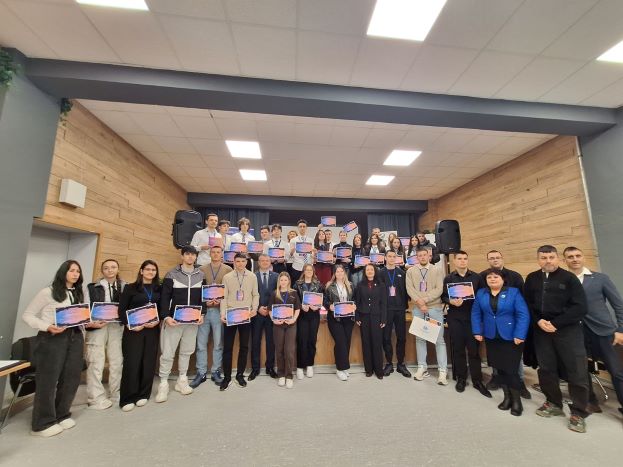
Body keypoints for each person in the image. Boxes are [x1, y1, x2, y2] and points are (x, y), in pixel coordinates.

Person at [524, 245, 590, 433]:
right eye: (544, 258)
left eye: (551, 257)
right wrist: (538, 321)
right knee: (546, 369)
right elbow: (528, 304)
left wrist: (556, 323)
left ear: (558, 258)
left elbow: (580, 307)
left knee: (576, 371)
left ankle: (579, 412)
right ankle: (553, 403)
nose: (548, 261)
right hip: (542, 331)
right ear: (538, 260)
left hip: (567, 331)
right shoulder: (532, 278)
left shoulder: (569, 278)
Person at [22, 260, 87, 437]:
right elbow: (27, 315)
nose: (75, 274)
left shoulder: (78, 292)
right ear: (63, 272)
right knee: (48, 380)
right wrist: (47, 326)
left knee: (71, 378)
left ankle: (61, 414)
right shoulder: (48, 292)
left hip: (75, 337)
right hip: (52, 338)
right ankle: (42, 423)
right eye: (71, 270)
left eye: (78, 271)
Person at [563, 246, 623, 416]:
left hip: (604, 331)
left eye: (577, 255)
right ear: (565, 260)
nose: (575, 259)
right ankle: (590, 402)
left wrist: (620, 329)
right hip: (576, 332)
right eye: (570, 257)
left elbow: (618, 305)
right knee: (581, 371)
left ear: (583, 257)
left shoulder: (600, 278)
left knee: (617, 371)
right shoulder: (564, 281)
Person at [472, 269, 530, 416]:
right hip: (492, 336)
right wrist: (477, 331)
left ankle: (517, 401)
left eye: (495, 277)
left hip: (511, 337)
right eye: (489, 277)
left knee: (511, 370)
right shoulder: (481, 293)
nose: (492, 279)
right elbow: (476, 313)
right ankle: (507, 398)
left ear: (503, 279)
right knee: (500, 369)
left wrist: (520, 334)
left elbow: (523, 314)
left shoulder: (513, 292)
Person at [156, 246, 205, 403]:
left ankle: (182, 380)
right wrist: (166, 316)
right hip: (174, 321)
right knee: (167, 353)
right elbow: (165, 297)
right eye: (187, 254)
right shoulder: (171, 274)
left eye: (193, 255)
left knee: (186, 351)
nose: (190, 257)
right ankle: (163, 383)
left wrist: (202, 314)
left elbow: (202, 298)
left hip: (192, 322)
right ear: (182, 256)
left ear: (196, 257)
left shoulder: (201, 275)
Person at [441, 251, 491, 397]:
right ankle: (461, 378)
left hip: (472, 318)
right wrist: (451, 301)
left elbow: (484, 295)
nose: (463, 261)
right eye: (460, 259)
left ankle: (477, 380)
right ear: (454, 261)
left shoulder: (477, 277)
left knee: (474, 350)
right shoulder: (449, 278)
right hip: (455, 318)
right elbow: (443, 296)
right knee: (458, 349)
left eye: (465, 258)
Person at [479, 249, 529, 394]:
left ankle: (519, 382)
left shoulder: (515, 276)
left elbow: (523, 302)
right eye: (491, 258)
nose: (495, 260)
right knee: (495, 354)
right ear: (488, 261)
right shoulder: (482, 276)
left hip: (511, 324)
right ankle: (497, 377)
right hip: (491, 324)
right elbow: (481, 298)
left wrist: (520, 328)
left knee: (514, 356)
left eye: (497, 257)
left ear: (502, 258)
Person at [118, 260, 161, 412]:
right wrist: (131, 324)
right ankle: (127, 398)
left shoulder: (158, 289)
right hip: (134, 331)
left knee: (148, 361)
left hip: (152, 330)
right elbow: (121, 310)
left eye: (153, 270)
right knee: (132, 362)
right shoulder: (130, 288)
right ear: (141, 271)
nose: (150, 272)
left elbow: (161, 309)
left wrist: (157, 321)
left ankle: (143, 394)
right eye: (147, 269)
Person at [84, 259, 126, 410]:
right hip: (98, 328)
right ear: (102, 271)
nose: (110, 270)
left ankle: (116, 394)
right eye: (106, 268)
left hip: (116, 328)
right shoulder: (91, 287)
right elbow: (85, 309)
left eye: (113, 267)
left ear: (118, 269)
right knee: (96, 362)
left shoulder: (125, 286)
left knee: (117, 362)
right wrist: (90, 322)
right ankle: (95, 398)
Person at [191, 245, 232, 389]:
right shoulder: (201, 269)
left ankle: (216, 371)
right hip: (204, 311)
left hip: (219, 311)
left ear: (222, 254)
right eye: (213, 252)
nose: (215, 254)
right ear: (210, 254)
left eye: (218, 252)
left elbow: (230, 291)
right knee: (201, 343)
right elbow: (197, 290)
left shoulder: (228, 269)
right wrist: (204, 302)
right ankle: (201, 372)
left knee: (218, 344)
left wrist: (222, 302)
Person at [406, 247, 448, 385]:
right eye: (420, 255)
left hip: (434, 308)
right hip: (418, 309)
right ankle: (422, 367)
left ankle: (442, 370)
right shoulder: (411, 271)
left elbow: (439, 288)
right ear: (417, 257)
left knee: (439, 340)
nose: (423, 257)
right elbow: (410, 288)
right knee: (420, 339)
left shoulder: (437, 270)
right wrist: (419, 302)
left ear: (429, 256)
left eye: (425, 255)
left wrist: (425, 300)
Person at [219, 253, 259, 390]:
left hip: (245, 315)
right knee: (227, 347)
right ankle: (227, 377)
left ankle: (240, 375)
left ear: (246, 262)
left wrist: (254, 309)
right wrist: (222, 313)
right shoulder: (227, 277)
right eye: (238, 261)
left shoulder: (252, 276)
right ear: (233, 262)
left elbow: (255, 295)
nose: (240, 263)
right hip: (230, 314)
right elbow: (223, 297)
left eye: (243, 261)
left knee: (244, 346)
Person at [380, 251, 410, 378]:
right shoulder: (380, 273)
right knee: (386, 337)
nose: (392, 259)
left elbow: (406, 291)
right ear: (385, 258)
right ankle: (388, 364)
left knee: (401, 337)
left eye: (394, 257)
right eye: (389, 256)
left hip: (399, 309)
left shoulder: (402, 273)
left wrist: (405, 307)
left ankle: (401, 363)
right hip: (386, 310)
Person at [269, 272, 302, 388]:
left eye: (285, 280)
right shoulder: (274, 294)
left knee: (289, 350)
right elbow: (270, 309)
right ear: (279, 281)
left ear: (289, 281)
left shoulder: (293, 293)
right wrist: (273, 319)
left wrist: (293, 319)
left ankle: (289, 376)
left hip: (291, 325)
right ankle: (281, 375)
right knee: (279, 350)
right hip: (278, 325)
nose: (283, 282)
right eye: (281, 280)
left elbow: (297, 309)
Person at [324, 264, 356, 381]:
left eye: (341, 271)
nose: (340, 273)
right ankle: (340, 368)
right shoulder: (329, 286)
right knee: (340, 342)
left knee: (346, 342)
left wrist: (354, 305)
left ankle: (344, 366)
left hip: (348, 318)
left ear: (344, 273)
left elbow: (354, 299)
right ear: (334, 273)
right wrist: (329, 306)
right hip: (335, 319)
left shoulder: (350, 285)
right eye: (337, 272)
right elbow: (324, 300)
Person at [355, 264, 386, 379]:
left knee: (377, 344)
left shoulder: (381, 285)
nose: (369, 271)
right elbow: (357, 302)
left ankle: (379, 370)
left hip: (377, 317)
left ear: (375, 271)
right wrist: (357, 317)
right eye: (367, 270)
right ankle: (368, 369)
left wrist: (383, 318)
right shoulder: (360, 285)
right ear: (365, 272)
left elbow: (384, 303)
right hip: (364, 317)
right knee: (366, 343)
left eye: (371, 269)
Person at [250, 254, 278, 381]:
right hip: (257, 313)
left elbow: (278, 295)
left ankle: (270, 367)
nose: (265, 262)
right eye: (262, 260)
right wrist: (258, 308)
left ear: (270, 262)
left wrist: (270, 309)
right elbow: (250, 294)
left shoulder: (276, 276)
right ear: (259, 262)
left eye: (267, 260)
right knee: (255, 341)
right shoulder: (252, 276)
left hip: (271, 314)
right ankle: (255, 369)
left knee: (271, 342)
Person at [294, 263, 323, 379]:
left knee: (312, 340)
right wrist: (301, 306)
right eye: (307, 270)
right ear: (303, 271)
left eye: (311, 270)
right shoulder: (297, 284)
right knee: (302, 341)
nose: (309, 271)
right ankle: (300, 366)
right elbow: (294, 300)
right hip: (302, 316)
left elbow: (322, 299)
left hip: (314, 316)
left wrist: (318, 307)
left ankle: (310, 365)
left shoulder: (318, 284)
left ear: (313, 271)